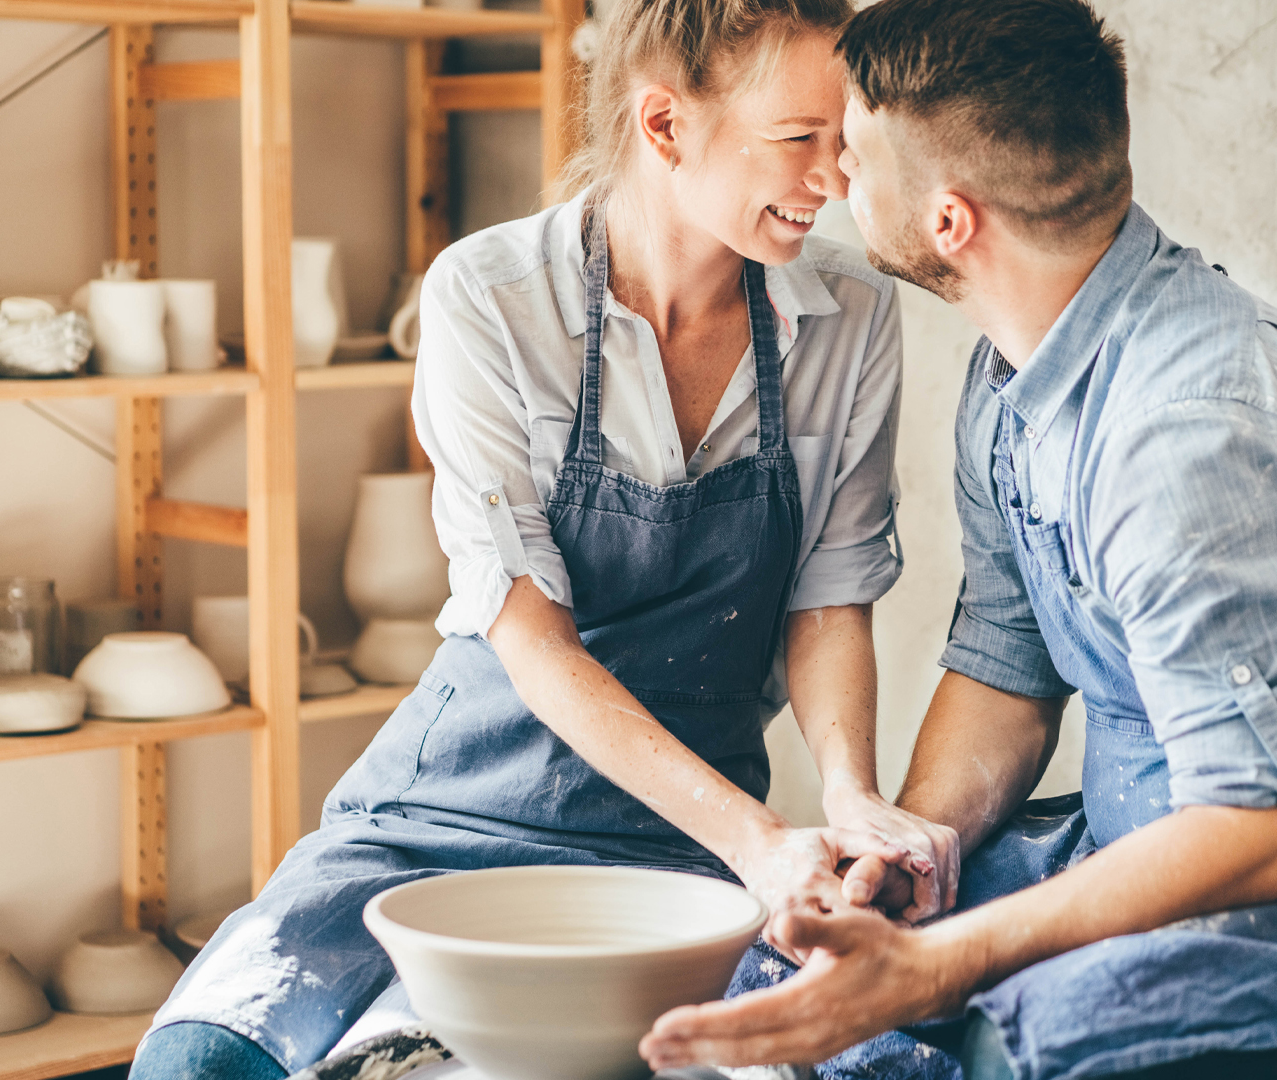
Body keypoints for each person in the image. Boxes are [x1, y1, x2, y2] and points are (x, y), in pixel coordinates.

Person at [640, 0, 1277, 1077]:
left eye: (851, 153)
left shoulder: (1189, 434)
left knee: (1009, 1046)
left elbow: (1260, 831)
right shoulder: (1013, 375)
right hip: (1169, 848)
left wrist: (943, 968)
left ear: (949, 221)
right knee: (789, 979)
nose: (831, 182)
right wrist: (911, 859)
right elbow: (1007, 663)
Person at [130, 2, 962, 1077]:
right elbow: (536, 643)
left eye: (840, 138)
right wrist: (759, 840)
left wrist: (848, 799)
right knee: (198, 1062)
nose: (835, 179)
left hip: (687, 835)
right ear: (663, 126)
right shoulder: (487, 298)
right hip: (443, 818)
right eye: (798, 140)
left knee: (879, 1060)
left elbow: (829, 597)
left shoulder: (848, 314)